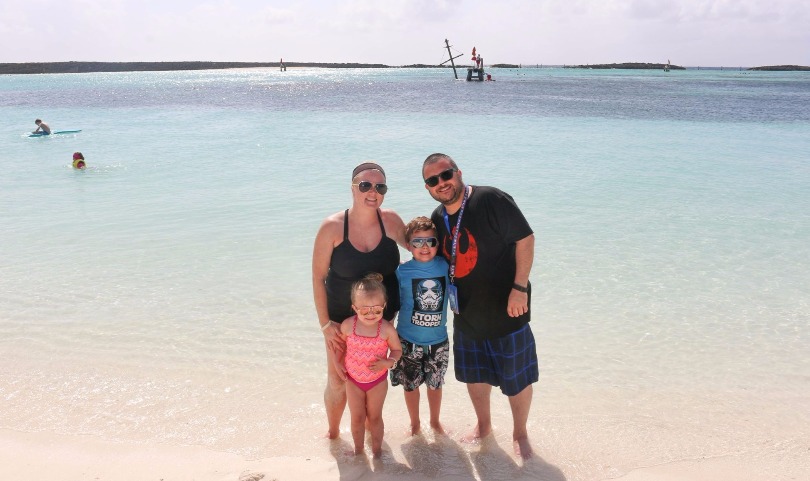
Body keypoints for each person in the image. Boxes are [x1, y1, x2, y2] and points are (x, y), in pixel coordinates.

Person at [421, 152, 538, 458]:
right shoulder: (437, 218)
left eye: (445, 175)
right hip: (466, 314)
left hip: (508, 308)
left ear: (458, 172)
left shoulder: (490, 199)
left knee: (517, 379)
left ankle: (520, 433)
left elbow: (525, 239)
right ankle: (484, 426)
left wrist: (519, 288)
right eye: (433, 181)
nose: (441, 183)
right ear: (428, 188)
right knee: (475, 377)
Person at [312, 162, 407, 439]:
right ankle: (332, 436)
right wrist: (325, 325)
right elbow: (318, 278)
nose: (372, 191)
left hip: (382, 319)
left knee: (372, 378)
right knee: (339, 380)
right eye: (365, 185)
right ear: (353, 188)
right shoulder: (332, 227)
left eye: (380, 187)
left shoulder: (390, 221)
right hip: (340, 320)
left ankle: (368, 435)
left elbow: (423, 246)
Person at [391, 216, 450, 436]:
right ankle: (414, 423)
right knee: (411, 385)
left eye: (430, 242)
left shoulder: (445, 266)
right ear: (408, 246)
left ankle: (435, 422)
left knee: (435, 384)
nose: (424, 247)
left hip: (438, 340)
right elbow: (391, 303)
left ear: (437, 244)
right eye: (417, 242)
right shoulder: (401, 271)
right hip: (407, 339)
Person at [333, 273, 402, 457]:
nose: (371, 314)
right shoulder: (348, 326)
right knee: (357, 418)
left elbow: (397, 351)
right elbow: (339, 347)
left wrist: (389, 362)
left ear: (384, 306)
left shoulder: (387, 329)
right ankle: (358, 450)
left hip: (377, 381)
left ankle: (378, 451)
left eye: (377, 310)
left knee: (374, 417)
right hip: (353, 380)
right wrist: (336, 363)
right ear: (355, 308)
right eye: (365, 311)